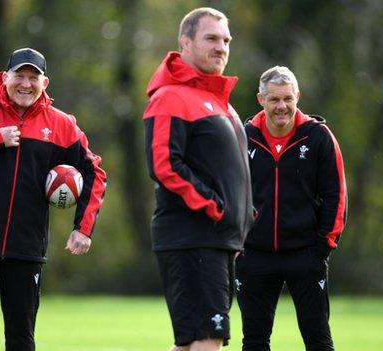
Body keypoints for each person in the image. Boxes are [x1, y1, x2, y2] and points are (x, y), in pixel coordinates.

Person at [0, 48, 107, 351]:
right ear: (5, 77)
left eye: (33, 77)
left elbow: (96, 174)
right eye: (19, 76)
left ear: (45, 83)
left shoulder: (63, 124)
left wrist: (83, 227)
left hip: (26, 247)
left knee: (21, 334)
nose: (25, 84)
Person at [143, 7, 254, 351]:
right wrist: (215, 207)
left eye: (226, 40)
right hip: (193, 236)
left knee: (194, 339)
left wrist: (242, 219)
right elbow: (164, 165)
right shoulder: (170, 97)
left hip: (219, 240)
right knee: (209, 337)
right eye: (211, 38)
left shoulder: (221, 103)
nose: (221, 47)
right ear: (185, 42)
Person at [236, 66, 347, 351]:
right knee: (254, 341)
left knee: (318, 340)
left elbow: (337, 195)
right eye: (274, 99)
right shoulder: (242, 135)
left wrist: (323, 247)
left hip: (306, 253)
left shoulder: (318, 136)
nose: (282, 106)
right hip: (254, 255)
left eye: (287, 98)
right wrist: (236, 243)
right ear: (260, 99)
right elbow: (229, 192)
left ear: (297, 96)